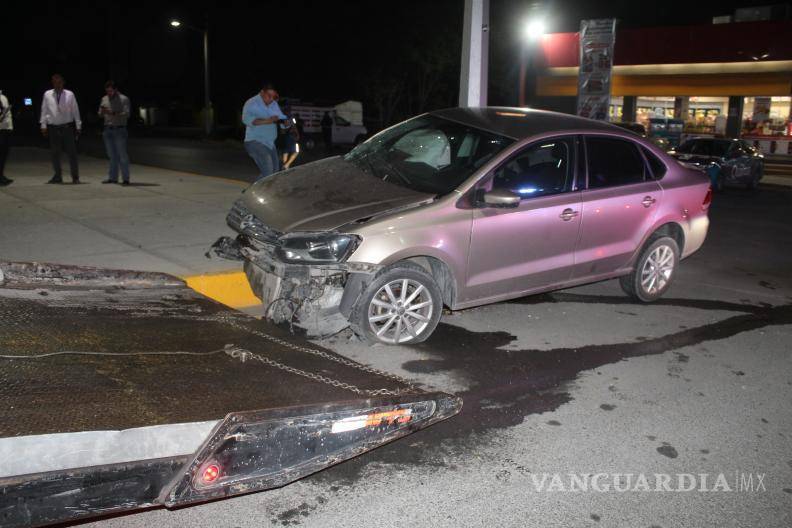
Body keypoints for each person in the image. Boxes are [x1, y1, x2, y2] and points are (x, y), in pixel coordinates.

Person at [40, 74, 81, 184]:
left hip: (67, 127)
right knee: (55, 153)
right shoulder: (47, 94)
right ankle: (58, 176)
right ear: (52, 83)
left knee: (71, 153)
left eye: (59, 82)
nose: (57, 84)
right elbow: (44, 110)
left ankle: (75, 177)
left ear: (63, 83)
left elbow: (75, 109)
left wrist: (78, 125)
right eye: (54, 82)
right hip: (53, 127)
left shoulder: (69, 94)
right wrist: (43, 125)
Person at [241, 83, 287, 180]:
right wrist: (268, 120)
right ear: (262, 92)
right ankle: (256, 193)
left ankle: (252, 191)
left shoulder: (274, 104)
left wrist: (285, 123)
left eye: (273, 96)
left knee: (274, 172)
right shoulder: (252, 103)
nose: (271, 99)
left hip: (270, 143)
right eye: (268, 95)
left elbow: (281, 118)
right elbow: (246, 119)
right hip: (255, 141)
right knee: (268, 172)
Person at [98, 81, 131, 185]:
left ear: (116, 90)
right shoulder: (104, 99)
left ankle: (125, 178)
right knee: (111, 155)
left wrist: (112, 113)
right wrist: (102, 112)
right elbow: (100, 114)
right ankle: (112, 178)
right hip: (108, 129)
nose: (109, 93)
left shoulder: (124, 99)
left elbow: (126, 114)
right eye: (107, 91)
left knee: (122, 155)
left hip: (119, 130)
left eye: (111, 91)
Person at [0, 90, 13, 186]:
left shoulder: (3, 97)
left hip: (6, 128)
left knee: (4, 154)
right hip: (1, 129)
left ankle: (1, 175)